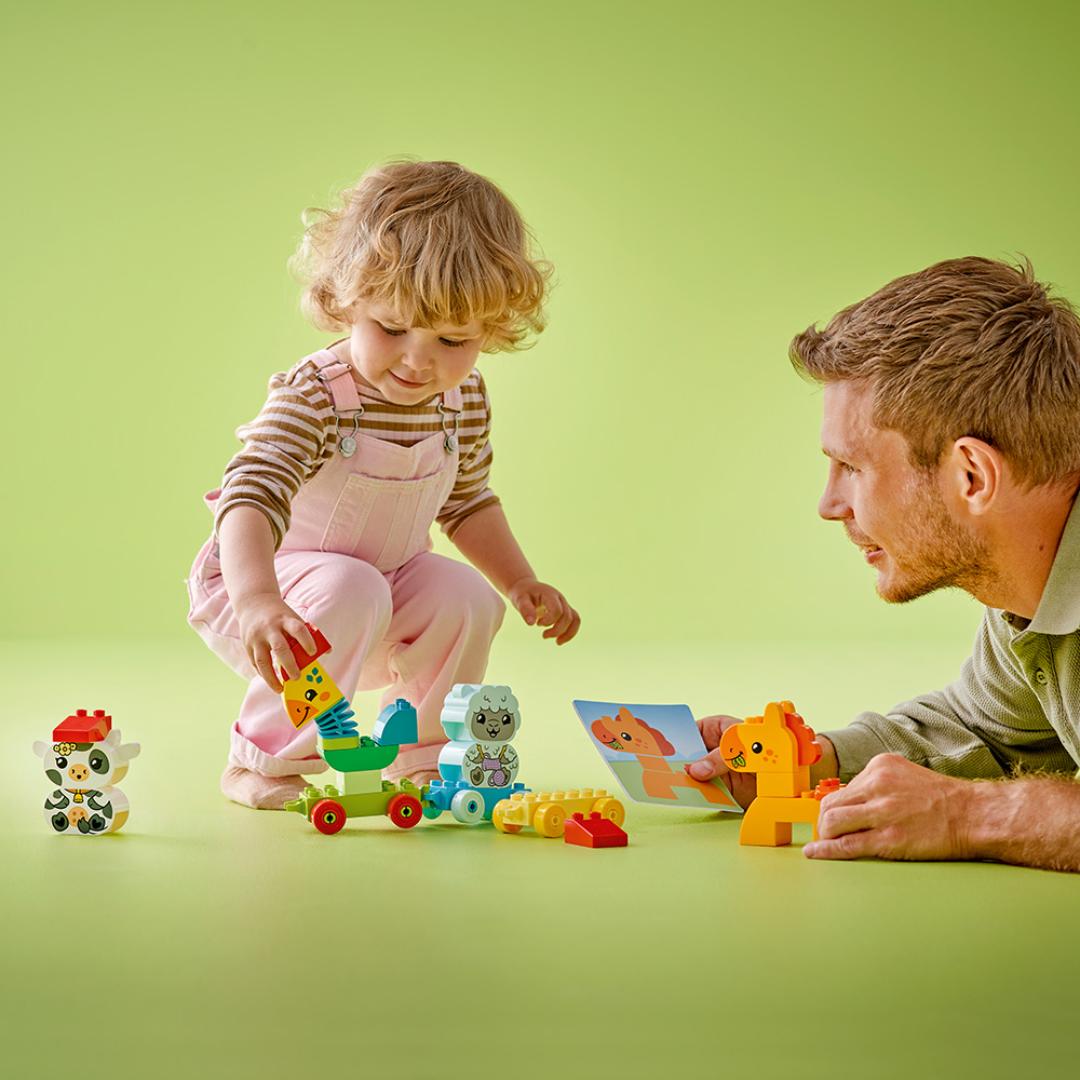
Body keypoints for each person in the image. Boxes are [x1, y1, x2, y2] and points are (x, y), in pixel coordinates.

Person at [187, 160, 580, 810]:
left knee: (468, 598)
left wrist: (520, 581)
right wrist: (258, 600)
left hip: (381, 593)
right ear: (348, 301)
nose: (418, 360)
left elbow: (468, 502)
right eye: (392, 329)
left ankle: (424, 756)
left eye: (453, 339)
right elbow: (250, 496)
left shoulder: (461, 399)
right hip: (276, 596)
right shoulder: (317, 395)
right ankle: (263, 757)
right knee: (351, 585)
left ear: (490, 329)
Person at [689, 257, 1080, 871]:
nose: (828, 504)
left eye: (852, 467)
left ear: (972, 477)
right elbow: (983, 731)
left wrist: (968, 815)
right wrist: (806, 761)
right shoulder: (1032, 587)